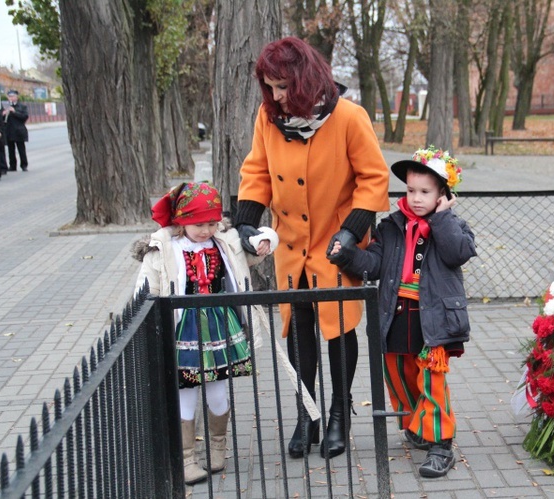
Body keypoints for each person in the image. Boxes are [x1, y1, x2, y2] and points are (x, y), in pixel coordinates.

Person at [233, 36, 389, 460]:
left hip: (335, 242)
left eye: (284, 87)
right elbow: (257, 171)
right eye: (271, 87)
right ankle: (308, 414)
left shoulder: (349, 117)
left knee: (338, 329)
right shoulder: (268, 120)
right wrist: (247, 220)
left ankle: (340, 413)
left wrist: (353, 232)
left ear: (304, 79)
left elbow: (373, 179)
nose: (277, 97)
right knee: (299, 330)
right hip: (290, 245)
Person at [329, 147, 476, 478]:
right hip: (395, 313)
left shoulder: (453, 226)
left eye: (425, 192)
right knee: (398, 373)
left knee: (430, 377)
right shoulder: (392, 226)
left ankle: (441, 442)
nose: (416, 198)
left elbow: (457, 253)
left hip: (434, 317)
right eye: (411, 190)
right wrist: (347, 255)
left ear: (443, 194)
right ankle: (416, 426)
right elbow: (376, 263)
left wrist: (442, 217)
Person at [133, 181, 277, 484]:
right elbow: (146, 290)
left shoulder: (225, 242)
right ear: (181, 220)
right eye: (199, 224)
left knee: (218, 388)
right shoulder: (162, 248)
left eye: (212, 223)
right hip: (182, 327)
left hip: (220, 325)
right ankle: (186, 458)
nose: (206, 230)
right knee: (185, 389)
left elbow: (254, 250)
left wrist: (266, 241)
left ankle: (217, 447)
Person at [2, 90, 29, 172]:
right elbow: (2, 120)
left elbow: (24, 117)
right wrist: (3, 114)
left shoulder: (22, 106)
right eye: (9, 96)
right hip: (9, 131)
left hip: (19, 131)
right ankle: (12, 166)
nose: (11, 98)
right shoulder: (5, 107)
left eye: (13, 96)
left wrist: (14, 112)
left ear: (17, 97)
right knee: (11, 150)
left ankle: (24, 165)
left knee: (21, 149)